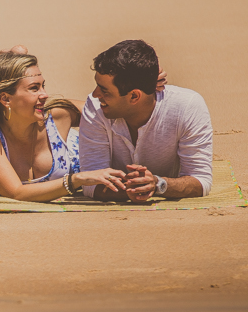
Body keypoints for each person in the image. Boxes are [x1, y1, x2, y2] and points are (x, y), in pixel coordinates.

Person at [0, 49, 131, 202]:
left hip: (10, 108)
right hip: (4, 112)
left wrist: (143, 85)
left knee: (12, 107)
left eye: (43, 85)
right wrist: (76, 180)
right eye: (34, 88)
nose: (44, 94)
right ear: (6, 99)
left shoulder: (58, 115)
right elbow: (15, 192)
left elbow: (107, 108)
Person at [79, 39, 212, 201]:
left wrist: (158, 184)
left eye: (105, 91)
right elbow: (89, 183)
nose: (95, 94)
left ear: (134, 96)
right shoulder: (95, 107)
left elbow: (201, 180)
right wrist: (132, 190)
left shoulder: (187, 106)